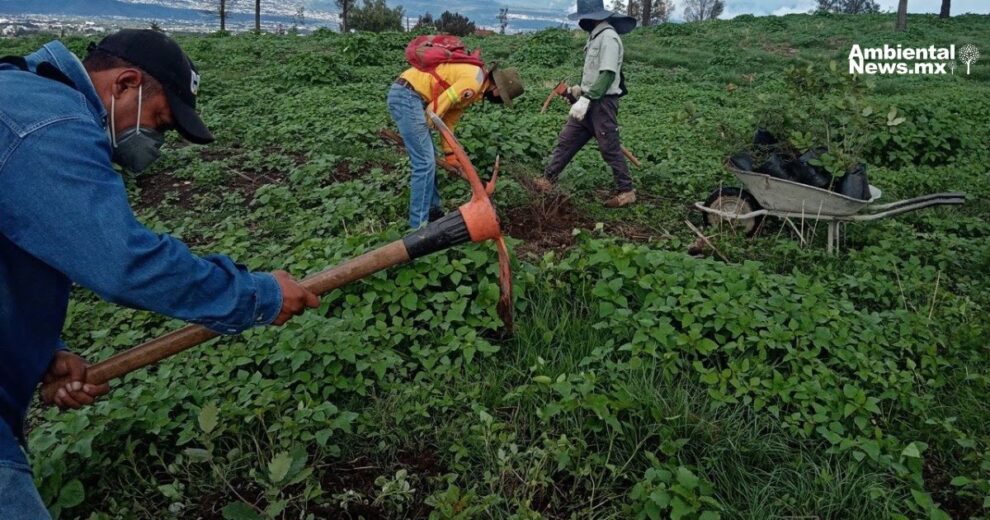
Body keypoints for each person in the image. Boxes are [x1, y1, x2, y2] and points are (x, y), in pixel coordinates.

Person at [0, 30, 320, 517]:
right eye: (159, 123)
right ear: (125, 83)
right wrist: (257, 295)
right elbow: (123, 262)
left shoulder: (23, 98)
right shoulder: (49, 125)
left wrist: (38, 351)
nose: (154, 143)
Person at [388, 57, 524, 229]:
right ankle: (418, 227)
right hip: (407, 96)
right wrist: (428, 126)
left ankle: (433, 212)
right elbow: (435, 110)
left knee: (429, 159)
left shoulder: (476, 87)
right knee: (425, 162)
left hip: (411, 95)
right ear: (498, 90)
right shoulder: (472, 84)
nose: (499, 101)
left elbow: (449, 120)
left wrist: (450, 154)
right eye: (502, 98)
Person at [533, 0, 638, 208]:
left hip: (602, 104)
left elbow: (607, 74)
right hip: (588, 100)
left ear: (594, 17)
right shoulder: (595, 36)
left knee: (609, 147)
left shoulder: (609, 38)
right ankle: (548, 179)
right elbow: (594, 74)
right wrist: (579, 91)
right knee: (568, 139)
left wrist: (587, 99)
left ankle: (626, 191)